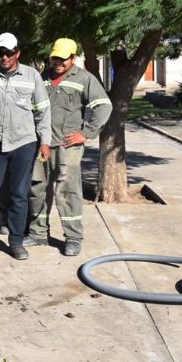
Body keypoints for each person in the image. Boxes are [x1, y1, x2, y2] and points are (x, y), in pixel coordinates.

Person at [24, 38, 112, 256]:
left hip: (67, 147)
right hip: (42, 145)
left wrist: (86, 133)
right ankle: (38, 233)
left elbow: (104, 106)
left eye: (63, 59)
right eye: (55, 58)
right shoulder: (42, 77)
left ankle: (73, 237)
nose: (58, 63)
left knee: (67, 191)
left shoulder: (84, 79)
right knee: (37, 190)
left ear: (72, 58)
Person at [0, 33, 51, 262]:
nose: (5, 57)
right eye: (0, 53)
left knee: (18, 195)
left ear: (18, 53)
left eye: (9, 52)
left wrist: (45, 141)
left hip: (23, 143)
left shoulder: (32, 76)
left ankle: (16, 241)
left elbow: (43, 111)